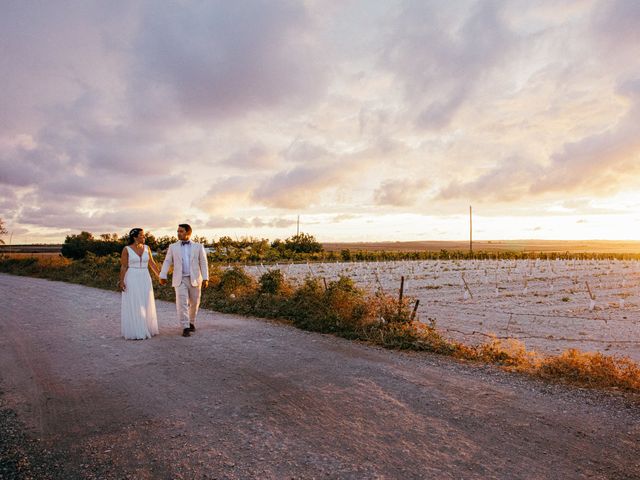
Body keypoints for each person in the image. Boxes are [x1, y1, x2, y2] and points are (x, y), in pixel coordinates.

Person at [159, 224, 209, 337]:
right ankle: (185, 327)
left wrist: (206, 278)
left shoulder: (198, 246)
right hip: (180, 279)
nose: (178, 233)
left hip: (195, 279)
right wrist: (163, 275)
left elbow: (203, 263)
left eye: (181, 231)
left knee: (195, 303)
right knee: (182, 303)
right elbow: (167, 261)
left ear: (188, 233)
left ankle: (191, 322)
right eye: (177, 231)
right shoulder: (173, 247)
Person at [118, 228, 160, 340]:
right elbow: (123, 266)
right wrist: (121, 281)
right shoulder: (126, 249)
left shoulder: (147, 248)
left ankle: (147, 327)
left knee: (146, 302)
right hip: (132, 276)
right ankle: (136, 330)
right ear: (134, 237)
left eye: (144, 235)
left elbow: (152, 263)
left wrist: (160, 276)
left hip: (145, 277)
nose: (144, 237)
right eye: (142, 235)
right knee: (135, 302)